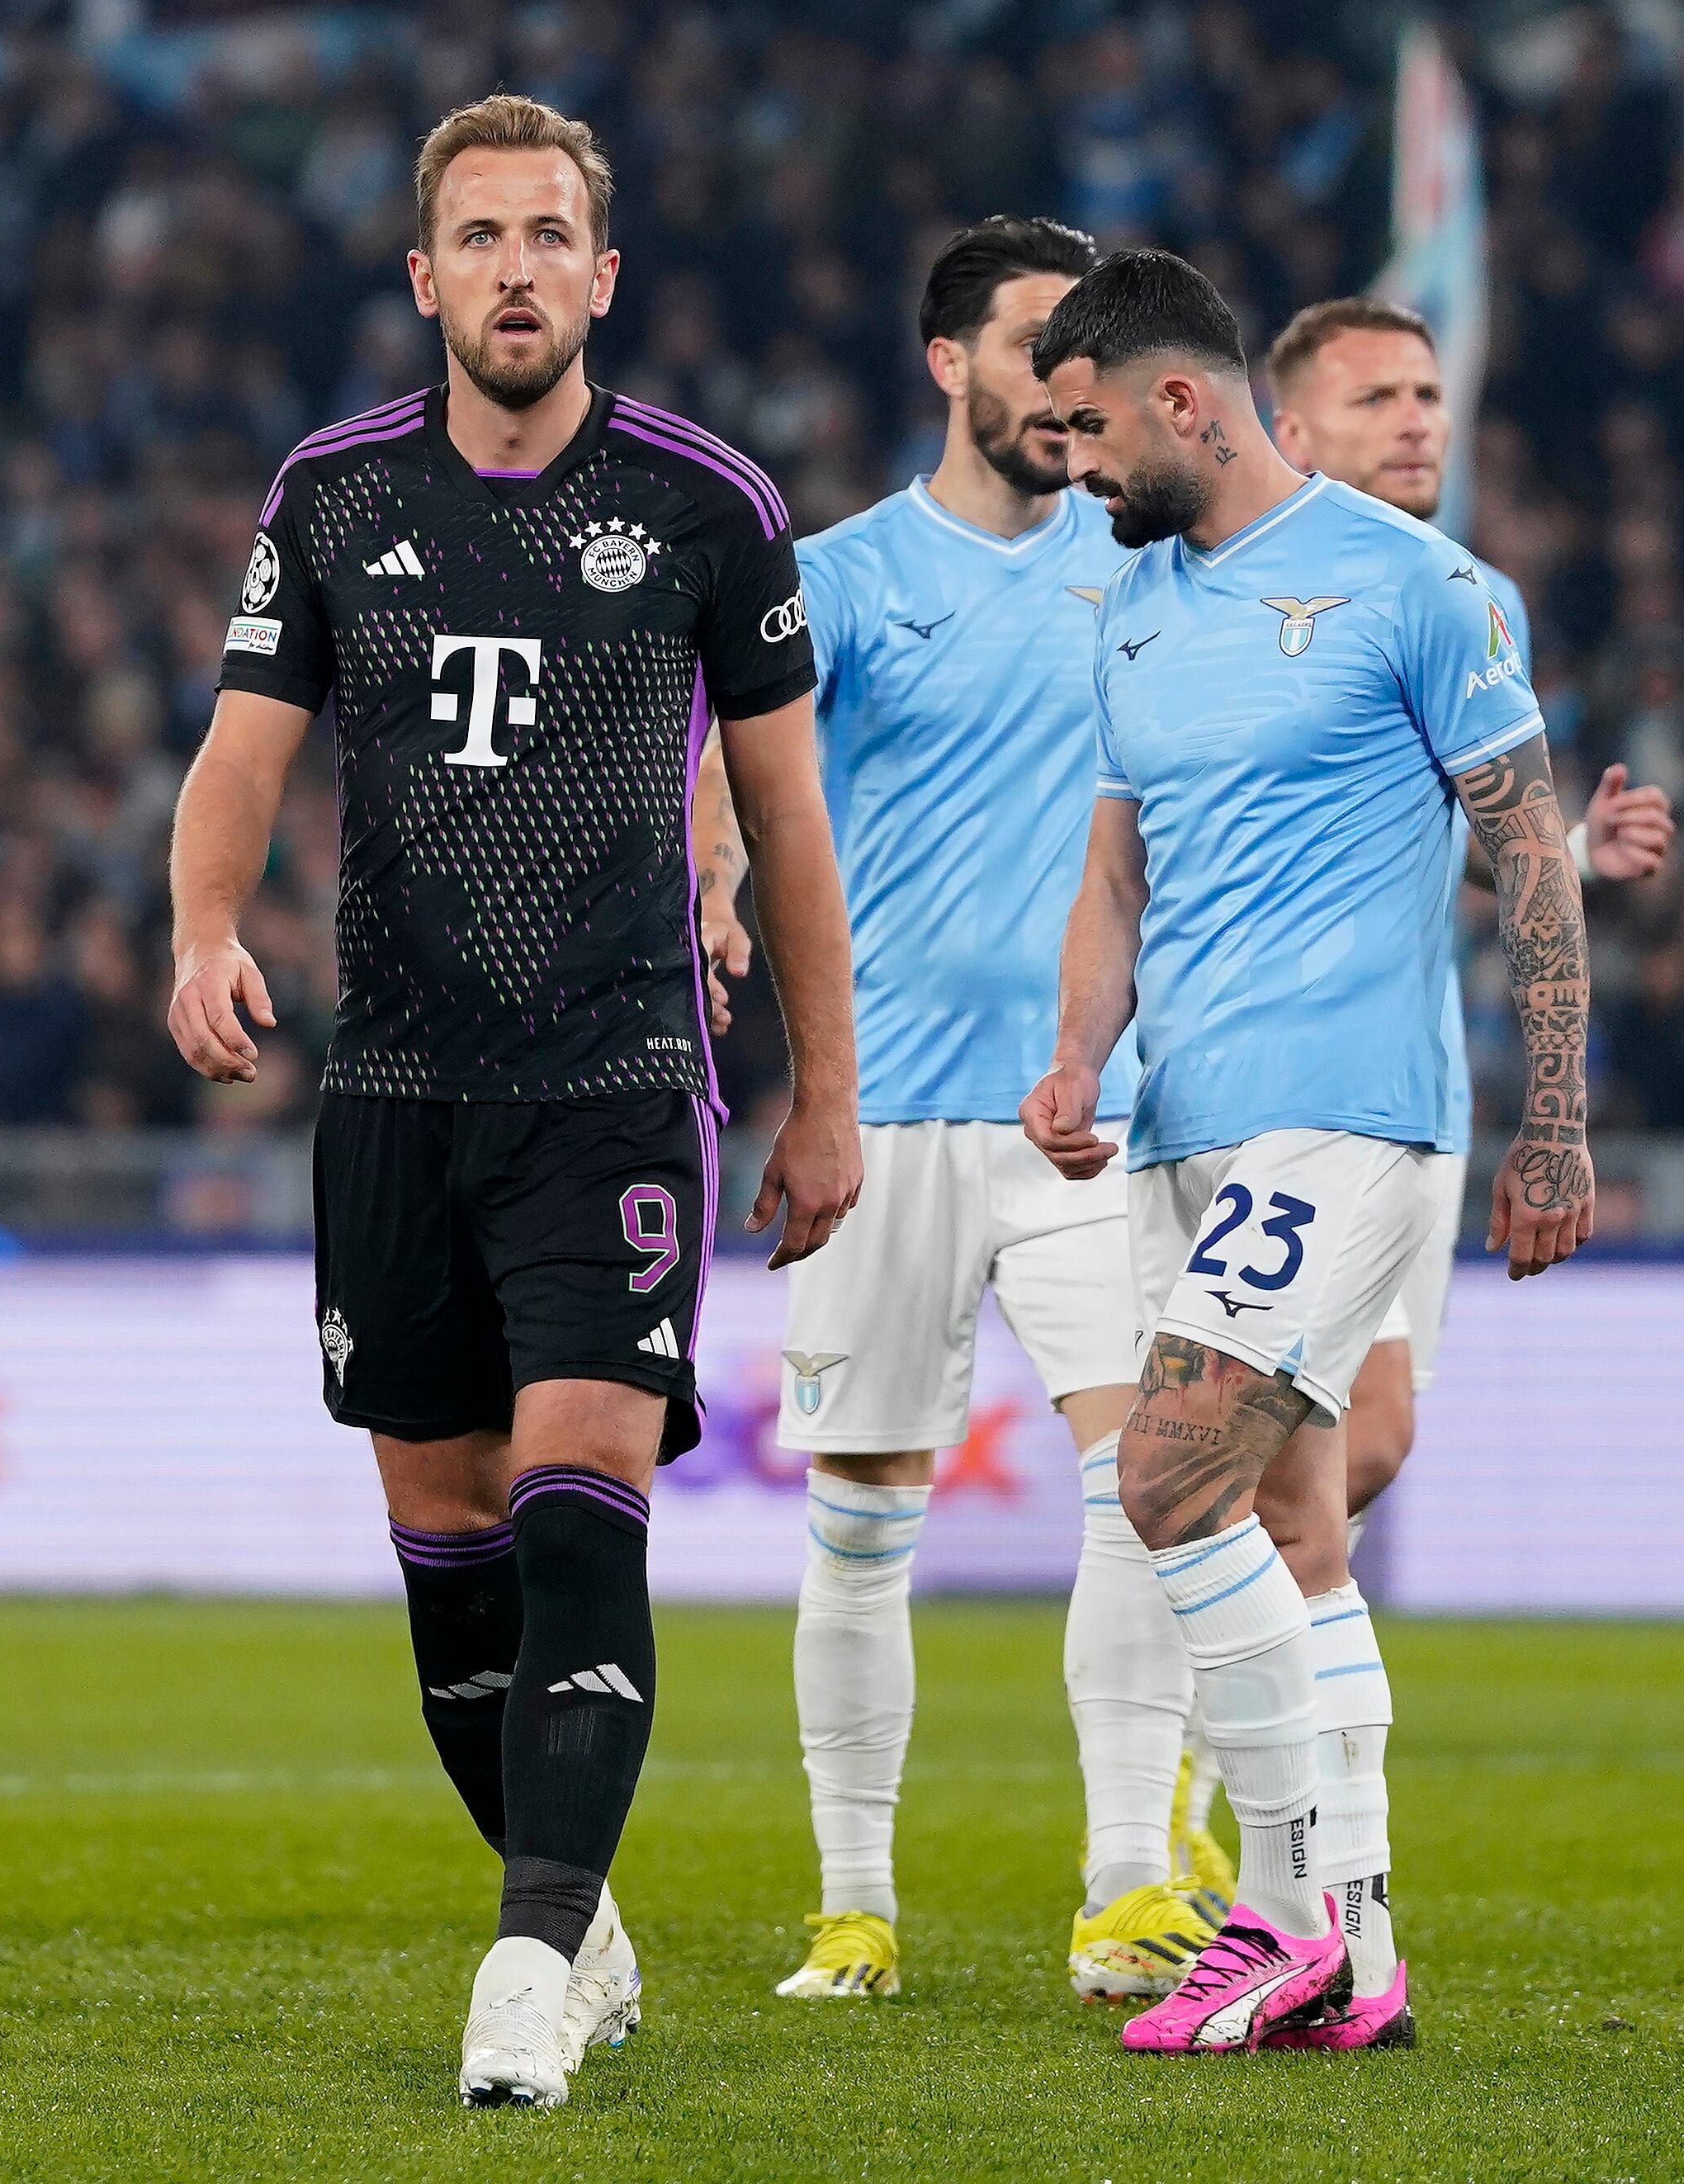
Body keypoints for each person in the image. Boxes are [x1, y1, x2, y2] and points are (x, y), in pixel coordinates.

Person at [165, 92, 863, 2111]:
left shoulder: (709, 505)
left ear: (602, 274)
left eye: (549, 235)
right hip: (394, 1082)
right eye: (479, 237)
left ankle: (529, 1956)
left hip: (614, 1079)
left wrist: (823, 1092)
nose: (516, 269)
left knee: (576, 1500)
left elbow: (786, 819)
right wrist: (203, 930)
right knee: (446, 1539)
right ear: (424, 277)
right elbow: (240, 749)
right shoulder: (328, 495)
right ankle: (581, 1916)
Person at [1019, 250, 1596, 2057]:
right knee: (1284, 1515)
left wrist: (1555, 1118)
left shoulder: (1418, 587)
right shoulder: (1129, 608)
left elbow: (1532, 853)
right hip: (1183, 1117)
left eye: (1089, 431)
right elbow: (1117, 868)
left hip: (1345, 1107)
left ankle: (1286, 1915)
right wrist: (1075, 1053)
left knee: (1166, 1474)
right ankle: (1356, 1943)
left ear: (1181, 402)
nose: (1074, 469)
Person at [697, 215, 1224, 2007]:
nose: (1063, 383)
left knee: (1145, 1480)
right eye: (1027, 346)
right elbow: (737, 770)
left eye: (1080, 353)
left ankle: (1126, 1886)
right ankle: (853, 1908)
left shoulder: (1146, 567)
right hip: (885, 1117)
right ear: (946, 364)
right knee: (861, 1518)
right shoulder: (839, 577)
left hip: (1089, 1109)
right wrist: (710, 879)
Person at [1258, 296, 1672, 1565]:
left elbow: (1462, 842)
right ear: (1291, 434)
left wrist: (1568, 857)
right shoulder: (1229, 595)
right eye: (1374, 398)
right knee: (1304, 1446)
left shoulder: (1476, 598)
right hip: (1256, 1075)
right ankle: (1177, 1655)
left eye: (1427, 397)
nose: (1414, 422)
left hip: (1413, 1077)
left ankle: (1199, 1658)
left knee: (1354, 1457)